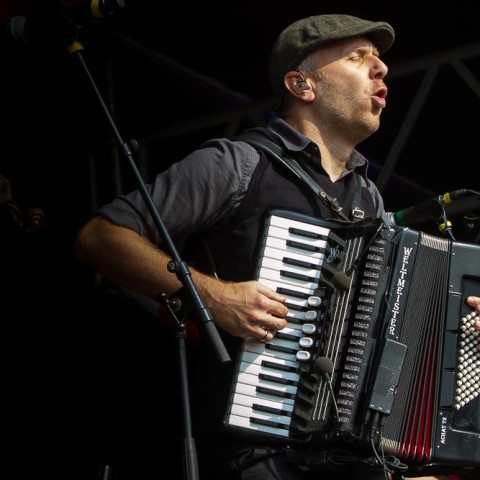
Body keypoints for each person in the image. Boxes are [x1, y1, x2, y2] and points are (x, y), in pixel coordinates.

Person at [74, 14, 480, 480]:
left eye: (380, 60)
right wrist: (214, 295)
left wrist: (461, 331)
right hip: (250, 453)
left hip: (344, 458)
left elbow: (390, 333)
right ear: (301, 84)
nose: (381, 69)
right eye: (357, 57)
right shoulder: (237, 163)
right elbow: (100, 238)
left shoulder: (369, 201)